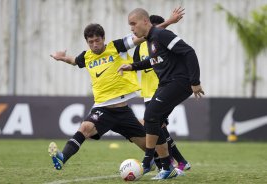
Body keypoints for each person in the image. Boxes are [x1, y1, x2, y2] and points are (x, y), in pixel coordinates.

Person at [48, 8, 184, 179]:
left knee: (147, 143)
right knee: (85, 127)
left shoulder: (116, 46)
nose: (95, 45)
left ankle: (166, 166)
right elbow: (74, 61)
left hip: (123, 111)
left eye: (97, 40)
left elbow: (144, 35)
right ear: (87, 42)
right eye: (90, 42)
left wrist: (168, 22)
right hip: (103, 108)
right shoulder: (87, 56)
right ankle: (62, 157)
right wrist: (62, 57)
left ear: (103, 39)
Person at [118, 8, 204, 180]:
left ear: (145, 21)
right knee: (155, 121)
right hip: (166, 84)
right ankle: (166, 167)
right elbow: (153, 60)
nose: (132, 29)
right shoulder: (150, 41)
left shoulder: (161, 34)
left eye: (133, 24)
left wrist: (195, 81)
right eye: (130, 25)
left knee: (150, 115)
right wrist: (133, 66)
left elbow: (189, 52)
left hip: (179, 81)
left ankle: (148, 161)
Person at [133, 14, 191, 171]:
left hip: (162, 89)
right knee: (158, 127)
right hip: (148, 92)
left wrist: (169, 22)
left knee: (157, 126)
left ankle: (162, 162)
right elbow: (137, 66)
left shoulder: (162, 42)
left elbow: (185, 54)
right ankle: (174, 162)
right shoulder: (141, 46)